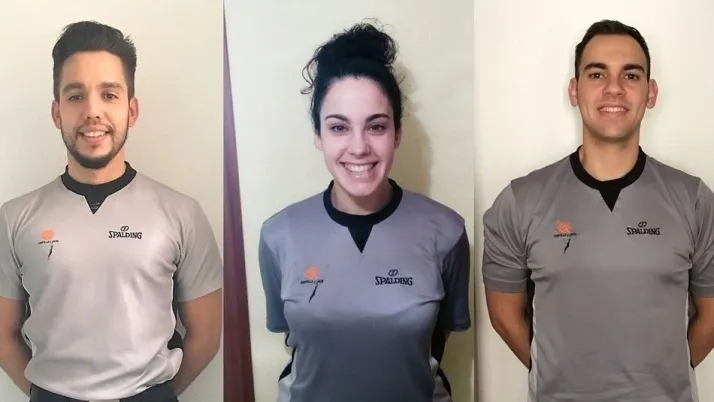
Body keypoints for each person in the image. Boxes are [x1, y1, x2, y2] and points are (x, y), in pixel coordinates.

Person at [482, 19, 714, 402]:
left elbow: (711, 315)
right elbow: (505, 316)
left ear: (651, 93)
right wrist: (563, 376)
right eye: (597, 74)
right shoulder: (519, 202)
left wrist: (661, 377)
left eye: (631, 75)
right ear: (574, 90)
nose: (614, 88)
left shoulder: (694, 200)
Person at [0, 21, 223, 402]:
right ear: (56, 112)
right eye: (75, 96)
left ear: (131, 110)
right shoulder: (14, 218)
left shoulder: (181, 214)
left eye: (109, 94)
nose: (92, 111)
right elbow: (3, 335)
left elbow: (205, 337)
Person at [257, 21, 472, 402]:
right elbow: (291, 336)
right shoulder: (278, 235)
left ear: (397, 133)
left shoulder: (446, 231)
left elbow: (439, 339)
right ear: (318, 135)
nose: (359, 148)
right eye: (339, 128)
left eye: (376, 126)